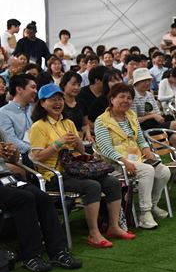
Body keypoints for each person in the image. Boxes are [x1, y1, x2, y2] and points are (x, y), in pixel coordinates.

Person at [29, 84, 133, 247]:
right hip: (54, 175)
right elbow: (36, 157)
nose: (58, 103)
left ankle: (114, 226)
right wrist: (58, 143)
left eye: (60, 99)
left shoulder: (67, 122)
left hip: (75, 169)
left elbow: (80, 150)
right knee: (92, 186)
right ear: (42, 103)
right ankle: (94, 233)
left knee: (112, 182)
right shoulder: (38, 126)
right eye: (52, 100)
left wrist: (77, 141)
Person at [0, 130, 82, 272]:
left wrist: (12, 152)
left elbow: (14, 161)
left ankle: (58, 252)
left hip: (6, 178)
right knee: (24, 199)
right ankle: (31, 256)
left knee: (43, 198)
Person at [95, 83, 171, 229]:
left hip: (136, 159)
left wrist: (147, 151)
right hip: (114, 164)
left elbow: (140, 138)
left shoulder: (131, 115)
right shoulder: (102, 121)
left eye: (129, 98)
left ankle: (153, 205)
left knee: (163, 172)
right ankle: (144, 213)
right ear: (111, 99)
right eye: (121, 97)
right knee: (147, 171)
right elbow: (105, 148)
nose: (126, 100)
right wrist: (124, 162)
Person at [0, 74, 37, 165]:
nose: (36, 91)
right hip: (22, 156)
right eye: (33, 87)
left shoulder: (34, 109)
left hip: (40, 152)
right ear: (19, 89)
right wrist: (35, 149)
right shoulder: (4, 112)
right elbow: (11, 141)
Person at [60, 71, 93, 143]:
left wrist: (88, 134)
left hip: (80, 141)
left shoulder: (81, 102)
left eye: (79, 85)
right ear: (64, 85)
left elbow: (85, 124)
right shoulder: (58, 104)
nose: (77, 87)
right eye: (73, 84)